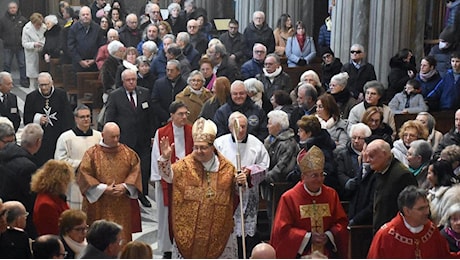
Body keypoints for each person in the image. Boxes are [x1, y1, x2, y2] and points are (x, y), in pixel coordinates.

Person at [157, 117, 247, 258]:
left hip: (217, 231)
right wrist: (165, 158)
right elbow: (167, 176)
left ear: (212, 147)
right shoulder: (184, 166)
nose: (199, 151)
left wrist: (240, 182)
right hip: (190, 231)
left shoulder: (227, 168)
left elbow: (236, 192)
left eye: (203, 147)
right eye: (196, 147)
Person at [271, 145, 348, 258]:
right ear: (303, 176)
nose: (319, 179)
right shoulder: (289, 197)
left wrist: (328, 235)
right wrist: (308, 237)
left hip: (326, 252)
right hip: (301, 254)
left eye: (322, 174)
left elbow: (341, 222)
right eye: (314, 175)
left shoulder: (331, 194)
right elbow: (282, 230)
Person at [214, 112, 270, 258]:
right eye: (236, 126)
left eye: (243, 126)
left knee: (247, 235)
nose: (240, 130)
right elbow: (213, 167)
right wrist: (230, 177)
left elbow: (264, 166)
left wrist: (248, 174)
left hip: (248, 194)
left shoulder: (256, 144)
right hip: (227, 195)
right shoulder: (219, 143)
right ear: (229, 126)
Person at [77, 122, 142, 242]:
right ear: (103, 135)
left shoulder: (128, 153)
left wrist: (125, 187)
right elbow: (84, 174)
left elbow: (135, 172)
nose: (116, 139)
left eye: (118, 136)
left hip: (121, 204)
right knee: (101, 239)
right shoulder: (92, 154)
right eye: (112, 136)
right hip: (99, 204)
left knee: (121, 240)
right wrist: (103, 189)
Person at [105, 69, 155, 208]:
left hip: (143, 139)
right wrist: (111, 137)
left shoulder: (144, 93)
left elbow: (151, 116)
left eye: (134, 79)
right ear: (123, 81)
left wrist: (152, 135)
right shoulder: (115, 96)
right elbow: (110, 117)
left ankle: (142, 194)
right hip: (124, 140)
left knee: (144, 168)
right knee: (125, 168)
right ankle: (126, 193)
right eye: (128, 80)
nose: (132, 82)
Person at [150, 101, 193, 259]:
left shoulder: (192, 131)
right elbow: (156, 155)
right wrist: (159, 178)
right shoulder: (162, 132)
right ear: (172, 115)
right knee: (166, 216)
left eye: (185, 114)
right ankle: (167, 248)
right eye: (180, 114)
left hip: (188, 181)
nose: (184, 117)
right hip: (167, 181)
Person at [367, 185, 456, 258]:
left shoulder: (431, 231)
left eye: (427, 207)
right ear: (407, 211)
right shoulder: (385, 236)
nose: (427, 212)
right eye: (421, 209)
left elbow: (444, 256)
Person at [54, 105, 102, 210]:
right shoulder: (66, 137)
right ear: (76, 119)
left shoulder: (98, 137)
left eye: (88, 116)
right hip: (74, 183)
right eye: (82, 117)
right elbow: (60, 161)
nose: (86, 119)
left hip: (94, 182)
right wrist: (81, 164)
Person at [0, 123, 43, 239]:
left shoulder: (4, 157)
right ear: (38, 142)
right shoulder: (28, 167)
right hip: (17, 219)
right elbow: (31, 199)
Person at [365, 139, 417, 233]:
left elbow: (408, 210)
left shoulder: (403, 175)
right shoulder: (378, 172)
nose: (368, 160)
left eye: (371, 156)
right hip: (381, 231)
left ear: (384, 154)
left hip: (396, 234)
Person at [23, 72, 74, 167]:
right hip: (39, 140)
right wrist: (37, 119)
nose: (43, 88)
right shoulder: (31, 97)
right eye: (41, 85)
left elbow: (67, 117)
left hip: (57, 135)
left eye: (46, 85)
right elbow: (27, 119)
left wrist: (67, 136)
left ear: (51, 83)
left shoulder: (61, 95)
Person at [262, 110, 299, 226]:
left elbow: (283, 167)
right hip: (269, 187)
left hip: (281, 187)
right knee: (271, 218)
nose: (267, 126)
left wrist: (264, 177)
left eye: (270, 123)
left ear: (278, 126)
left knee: (279, 220)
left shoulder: (288, 143)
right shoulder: (269, 140)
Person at [31, 160, 73, 236]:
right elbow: (54, 232)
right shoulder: (46, 204)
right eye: (66, 181)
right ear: (59, 182)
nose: (67, 185)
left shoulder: (56, 198)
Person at [336, 123, 372, 201]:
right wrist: (348, 182)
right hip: (350, 194)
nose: (356, 141)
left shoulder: (372, 154)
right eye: (354, 137)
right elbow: (340, 173)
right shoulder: (343, 154)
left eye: (360, 138)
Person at [67, 6, 105, 72]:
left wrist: (94, 59)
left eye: (87, 14)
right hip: (78, 65)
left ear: (91, 15)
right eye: (83, 15)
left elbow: (101, 46)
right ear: (79, 16)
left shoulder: (97, 28)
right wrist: (80, 60)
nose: (85, 16)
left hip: (94, 64)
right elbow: (71, 47)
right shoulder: (73, 29)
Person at [0, 2, 28, 88]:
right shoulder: (3, 20)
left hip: (20, 46)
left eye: (14, 8)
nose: (13, 9)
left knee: (22, 64)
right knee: (7, 64)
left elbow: (26, 32)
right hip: (8, 46)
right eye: (11, 8)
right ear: (8, 9)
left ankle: (23, 81)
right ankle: (6, 82)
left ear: (17, 8)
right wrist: (5, 39)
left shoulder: (23, 19)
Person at [151, 59, 187, 127]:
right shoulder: (159, 83)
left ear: (178, 71)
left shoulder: (184, 85)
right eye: (167, 70)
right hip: (162, 121)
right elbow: (154, 102)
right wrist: (167, 117)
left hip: (179, 120)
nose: (169, 73)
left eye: (172, 70)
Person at [427, 159, 460, 226]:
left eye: (429, 173)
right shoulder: (434, 190)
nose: (427, 177)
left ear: (437, 175)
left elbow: (446, 222)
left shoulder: (453, 195)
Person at [22, 12, 46, 89]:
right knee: (32, 75)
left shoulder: (44, 27)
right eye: (37, 25)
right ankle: (32, 90)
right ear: (33, 23)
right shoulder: (26, 29)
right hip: (32, 53)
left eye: (40, 24)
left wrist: (42, 44)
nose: (39, 26)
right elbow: (24, 43)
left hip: (41, 53)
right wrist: (34, 44)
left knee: (42, 74)